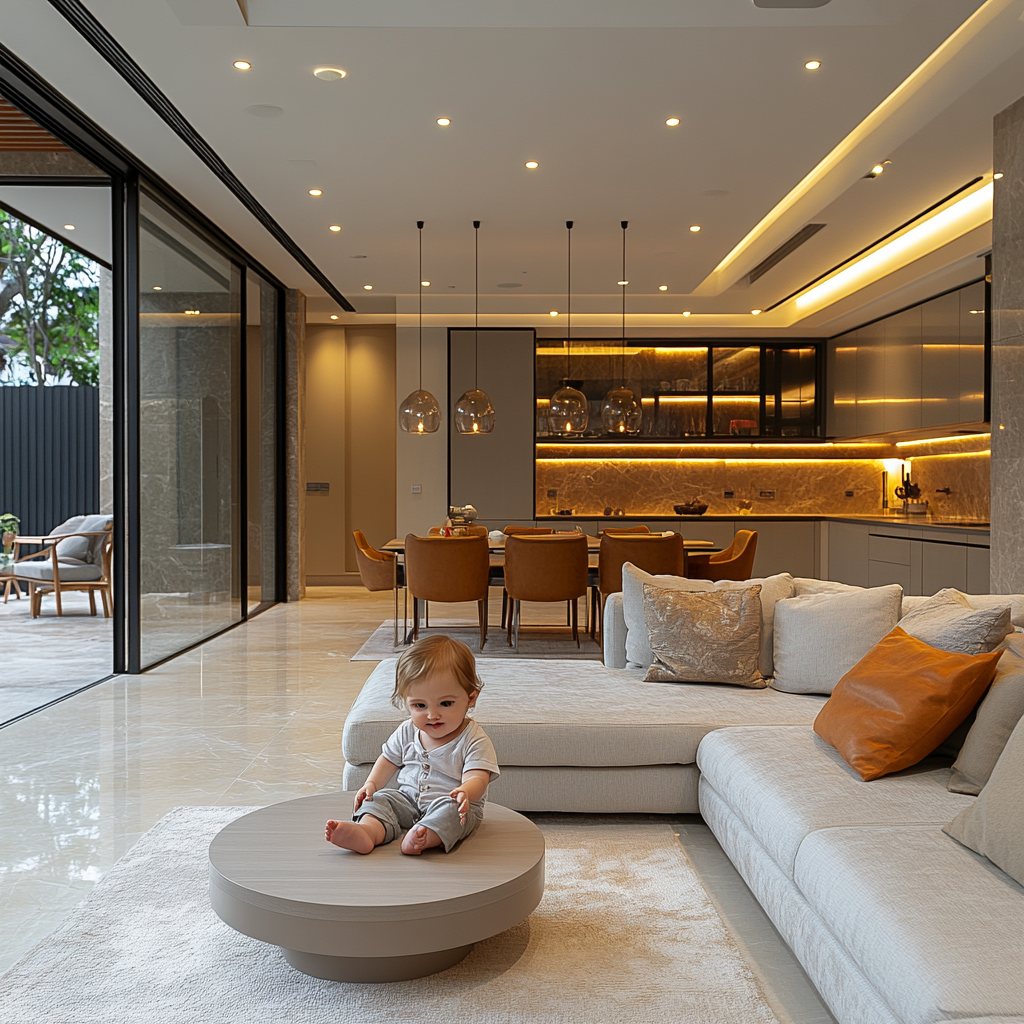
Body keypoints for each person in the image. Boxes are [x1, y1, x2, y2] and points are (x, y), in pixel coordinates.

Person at [325, 634, 499, 856]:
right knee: (381, 800)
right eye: (420, 705)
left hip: (452, 803)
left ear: (471, 698)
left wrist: (465, 791)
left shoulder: (473, 739)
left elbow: (478, 778)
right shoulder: (408, 730)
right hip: (407, 800)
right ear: (407, 702)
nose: (433, 714)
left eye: (446, 703)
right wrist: (371, 784)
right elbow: (388, 759)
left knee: (451, 814)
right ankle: (368, 831)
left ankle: (425, 837)